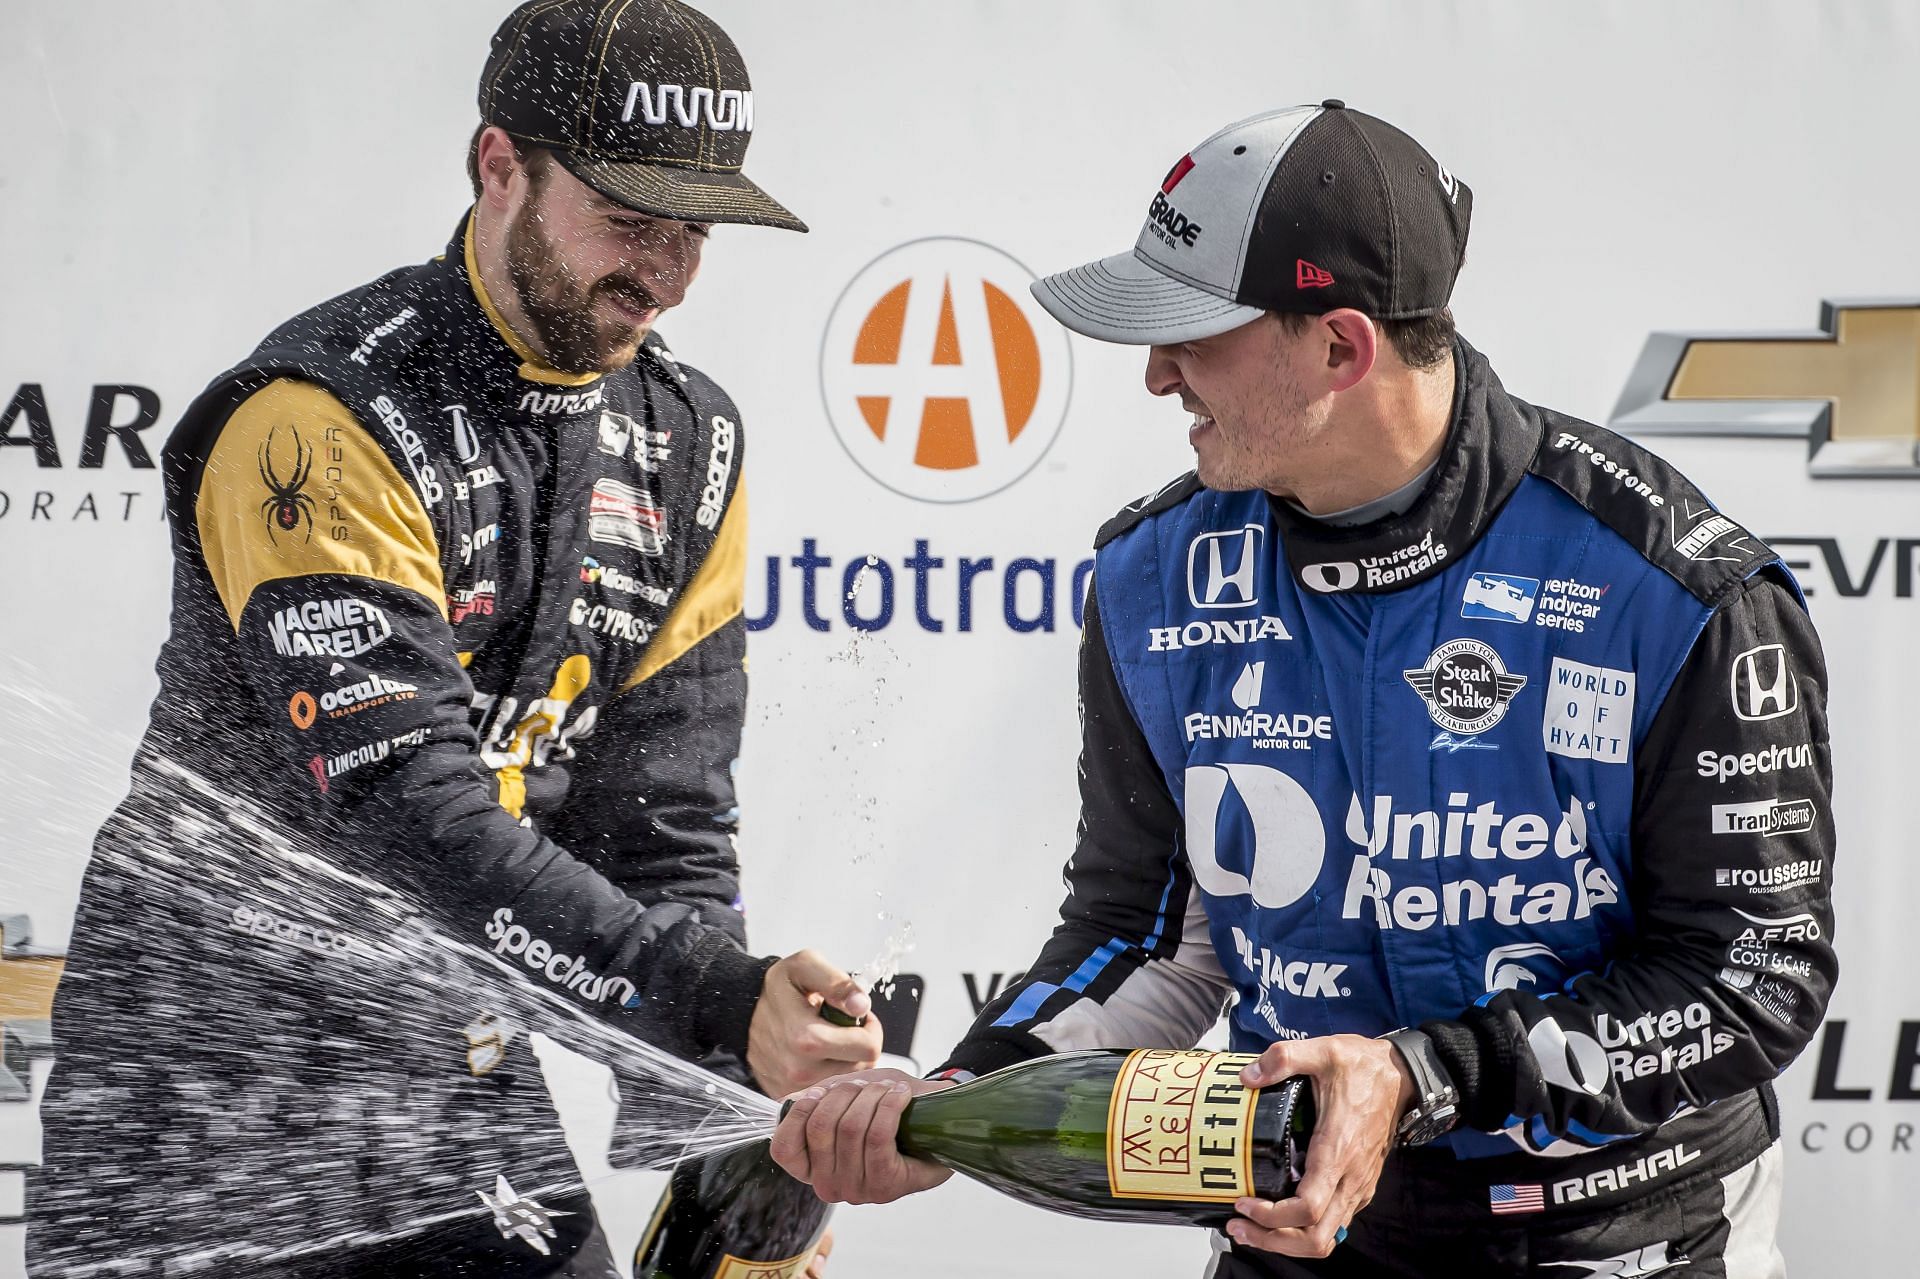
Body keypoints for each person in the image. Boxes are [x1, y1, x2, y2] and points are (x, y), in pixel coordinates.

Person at [772, 102, 1836, 1278]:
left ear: (1341, 346)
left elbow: (1752, 975)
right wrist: (962, 1097)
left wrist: (1426, 1075)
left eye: (1192, 334)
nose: (1157, 374)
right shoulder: (1156, 577)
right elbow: (1147, 937)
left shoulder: (1672, 584)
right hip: (1299, 1224)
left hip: (1622, 1232)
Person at [31, 2, 879, 1275]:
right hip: (197, 1088)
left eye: (694, 232)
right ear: (499, 168)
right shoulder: (319, 413)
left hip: (449, 1073)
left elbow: (666, 821)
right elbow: (411, 810)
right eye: (631, 219)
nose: (665, 269)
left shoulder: (692, 441)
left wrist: (730, 1143)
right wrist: (710, 993)